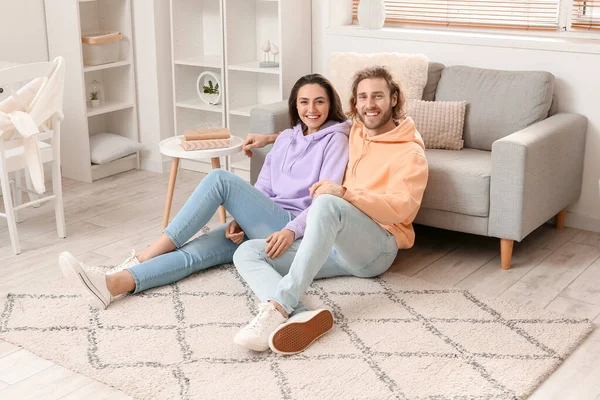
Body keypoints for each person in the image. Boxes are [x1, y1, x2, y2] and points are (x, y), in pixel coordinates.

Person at [58, 73, 351, 310]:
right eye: (304, 102)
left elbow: (326, 199)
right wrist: (241, 216)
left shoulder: (336, 140)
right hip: (264, 220)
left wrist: (290, 230)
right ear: (294, 106)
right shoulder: (286, 138)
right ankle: (113, 284)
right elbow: (263, 187)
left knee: (220, 179)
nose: (311, 110)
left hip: (290, 227)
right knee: (195, 253)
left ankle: (146, 255)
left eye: (319, 102)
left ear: (330, 104)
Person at [232, 66, 429, 354]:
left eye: (378, 96)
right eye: (362, 97)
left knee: (326, 200)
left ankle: (278, 307)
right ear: (355, 103)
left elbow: (400, 209)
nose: (369, 105)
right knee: (247, 252)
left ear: (394, 99)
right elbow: (315, 128)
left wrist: (346, 194)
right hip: (337, 247)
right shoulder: (358, 129)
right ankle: (301, 315)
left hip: (377, 248)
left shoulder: (409, 153)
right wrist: (272, 138)